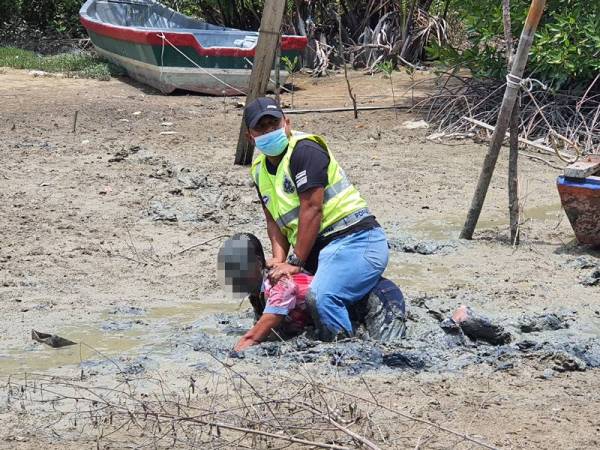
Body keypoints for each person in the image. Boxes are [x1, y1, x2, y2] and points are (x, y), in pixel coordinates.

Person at [243, 98, 391, 341]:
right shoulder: (259, 168)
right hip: (320, 250)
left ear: (287, 123)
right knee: (278, 284)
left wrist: (295, 261)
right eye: (262, 128)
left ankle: (345, 349)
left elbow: (312, 209)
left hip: (355, 239)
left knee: (322, 296)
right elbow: (273, 220)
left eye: (274, 124)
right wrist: (279, 260)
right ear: (251, 137)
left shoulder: (304, 151)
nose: (270, 131)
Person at [218, 234, 406, 352]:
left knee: (391, 354)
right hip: (350, 301)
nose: (234, 274)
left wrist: (231, 354)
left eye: (239, 267)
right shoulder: (257, 291)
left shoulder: (281, 285)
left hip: (380, 297)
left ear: (259, 262)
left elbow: (254, 337)